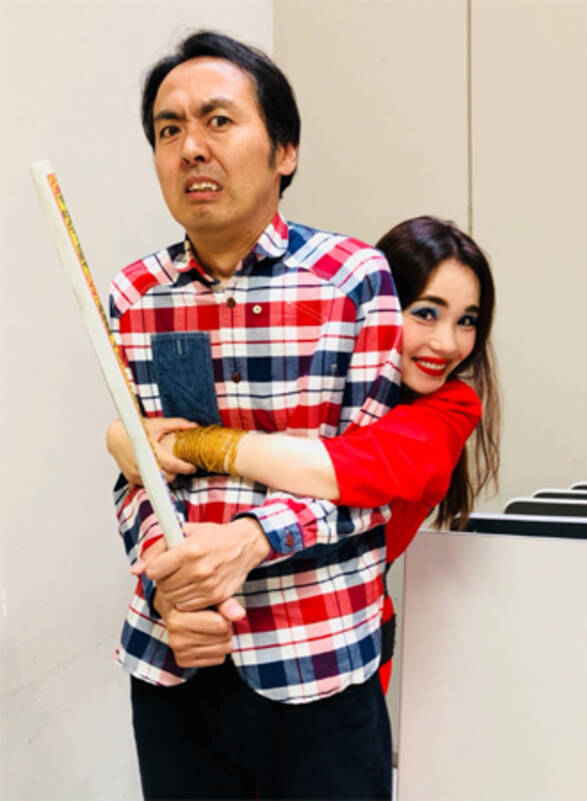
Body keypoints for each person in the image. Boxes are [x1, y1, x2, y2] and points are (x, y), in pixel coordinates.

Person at [108, 29, 403, 801]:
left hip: (317, 658)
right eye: (168, 129)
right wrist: (169, 579)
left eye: (218, 120)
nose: (191, 148)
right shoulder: (135, 295)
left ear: (285, 151)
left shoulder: (353, 280)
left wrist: (249, 540)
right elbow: (137, 475)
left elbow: (371, 478)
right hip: (175, 657)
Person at [109, 215, 500, 694]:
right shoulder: (317, 383)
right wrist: (124, 440)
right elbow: (155, 482)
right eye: (425, 313)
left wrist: (185, 444)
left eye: (466, 321)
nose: (447, 343)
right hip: (200, 640)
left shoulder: (451, 407)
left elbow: (345, 470)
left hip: (328, 642)